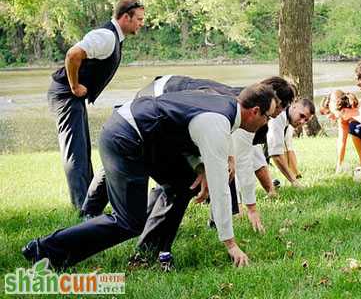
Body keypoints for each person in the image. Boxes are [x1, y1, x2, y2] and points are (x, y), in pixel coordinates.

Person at [22, 83, 277, 269]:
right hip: (126, 137)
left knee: (182, 183)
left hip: (146, 138)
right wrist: (230, 242)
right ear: (254, 111)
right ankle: (44, 250)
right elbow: (220, 188)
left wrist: (199, 168)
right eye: (268, 117)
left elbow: (177, 128)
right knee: (128, 221)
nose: (267, 124)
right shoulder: (218, 123)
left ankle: (149, 254)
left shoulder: (223, 108)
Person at [47, 0, 145, 212]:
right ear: (125, 17)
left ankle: (90, 203)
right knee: (75, 152)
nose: (141, 23)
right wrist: (74, 87)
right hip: (66, 93)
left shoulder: (114, 37)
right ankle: (83, 208)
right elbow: (73, 54)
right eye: (138, 19)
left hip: (72, 96)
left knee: (82, 148)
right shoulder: (106, 37)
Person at [266, 99, 315, 187]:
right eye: (301, 116)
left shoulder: (288, 119)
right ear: (294, 105)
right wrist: (295, 182)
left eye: (306, 120)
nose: (302, 122)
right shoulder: (279, 116)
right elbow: (276, 155)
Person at [320, 90, 361, 173]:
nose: (327, 117)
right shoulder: (341, 119)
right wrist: (339, 165)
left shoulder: (353, 109)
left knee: (353, 128)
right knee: (353, 130)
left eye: (328, 113)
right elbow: (341, 142)